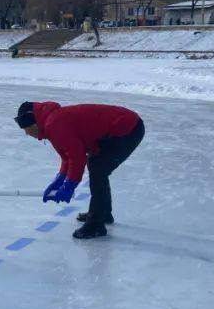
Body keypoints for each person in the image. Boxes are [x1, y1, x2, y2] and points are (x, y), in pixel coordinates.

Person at [15, 101, 145, 239]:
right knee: (97, 166)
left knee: (97, 167)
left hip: (127, 128)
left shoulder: (54, 124)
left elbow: (77, 158)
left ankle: (96, 224)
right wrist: (59, 182)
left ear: (34, 122)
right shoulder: (51, 122)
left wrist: (69, 186)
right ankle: (102, 213)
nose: (27, 133)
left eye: (26, 128)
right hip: (124, 126)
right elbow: (67, 157)